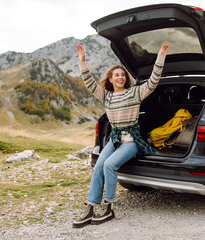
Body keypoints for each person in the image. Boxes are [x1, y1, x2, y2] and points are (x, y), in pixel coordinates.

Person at [72, 43, 169, 228]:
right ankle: (90, 207)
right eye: (117, 75)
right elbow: (89, 83)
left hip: (131, 139)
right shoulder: (107, 96)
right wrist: (82, 62)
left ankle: (108, 207)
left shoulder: (135, 93)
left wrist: (160, 58)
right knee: (98, 166)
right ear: (110, 79)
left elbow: (153, 82)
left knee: (109, 164)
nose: (121, 77)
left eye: (123, 75)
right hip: (115, 138)